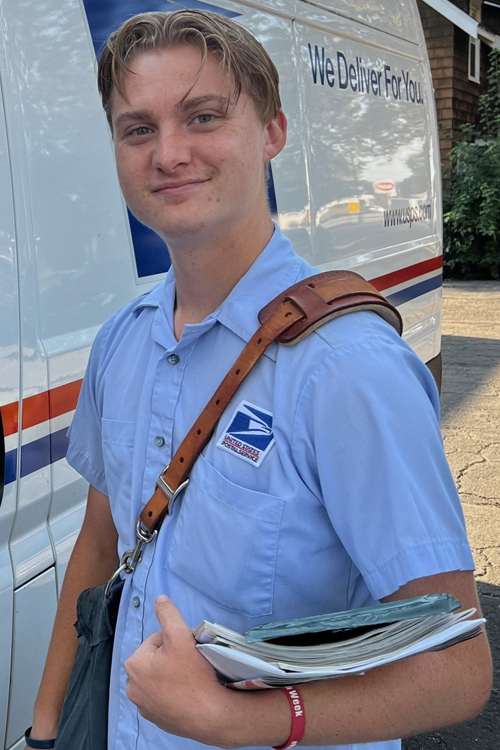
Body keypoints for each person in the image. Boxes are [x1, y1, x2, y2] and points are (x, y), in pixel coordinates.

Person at [29, 9, 492, 750]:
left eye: (203, 116)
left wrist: (238, 720)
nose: (168, 152)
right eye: (137, 129)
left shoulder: (349, 368)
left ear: (272, 132)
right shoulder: (123, 338)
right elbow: (98, 542)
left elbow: (457, 667)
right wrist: (48, 730)